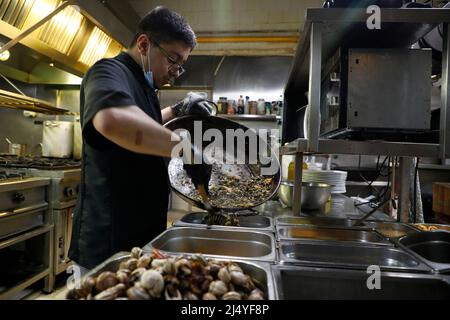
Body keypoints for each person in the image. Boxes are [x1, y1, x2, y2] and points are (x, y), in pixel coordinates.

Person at [69, 6, 212, 270]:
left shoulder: (144, 86)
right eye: (173, 59)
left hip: (141, 240)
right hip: (109, 245)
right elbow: (113, 121)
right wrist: (185, 150)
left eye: (181, 66)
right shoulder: (108, 72)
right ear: (144, 44)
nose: (175, 71)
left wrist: (177, 109)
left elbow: (143, 124)